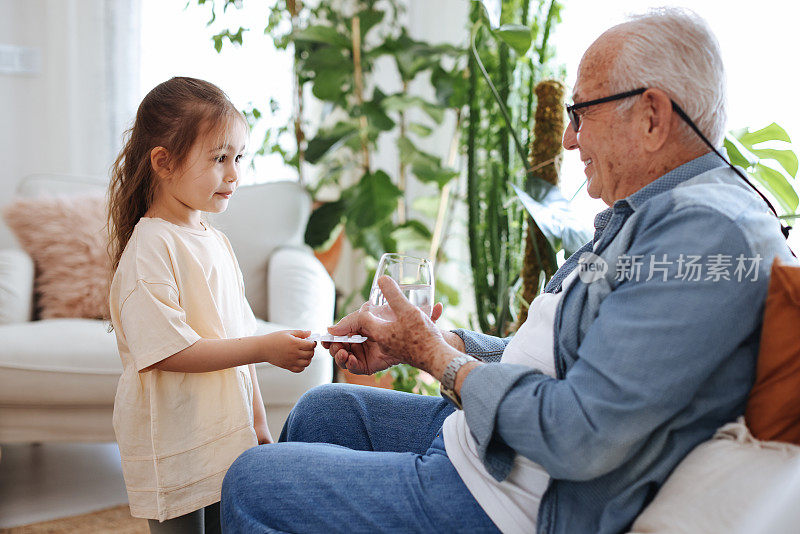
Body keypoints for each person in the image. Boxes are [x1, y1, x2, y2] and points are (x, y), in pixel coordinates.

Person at [221, 8, 795, 534]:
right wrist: (434, 341)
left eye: (581, 113)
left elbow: (579, 436)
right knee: (325, 410)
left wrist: (438, 360)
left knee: (252, 482)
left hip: (515, 501)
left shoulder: (702, 237)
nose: (569, 140)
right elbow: (558, 362)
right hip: (494, 453)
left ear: (651, 115)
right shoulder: (658, 211)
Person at [106, 76, 317, 533]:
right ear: (163, 162)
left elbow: (237, 339)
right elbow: (170, 351)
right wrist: (264, 348)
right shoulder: (150, 247)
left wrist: (258, 424)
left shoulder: (216, 242)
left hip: (225, 431)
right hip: (173, 438)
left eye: (238, 158)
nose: (234, 174)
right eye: (220, 158)